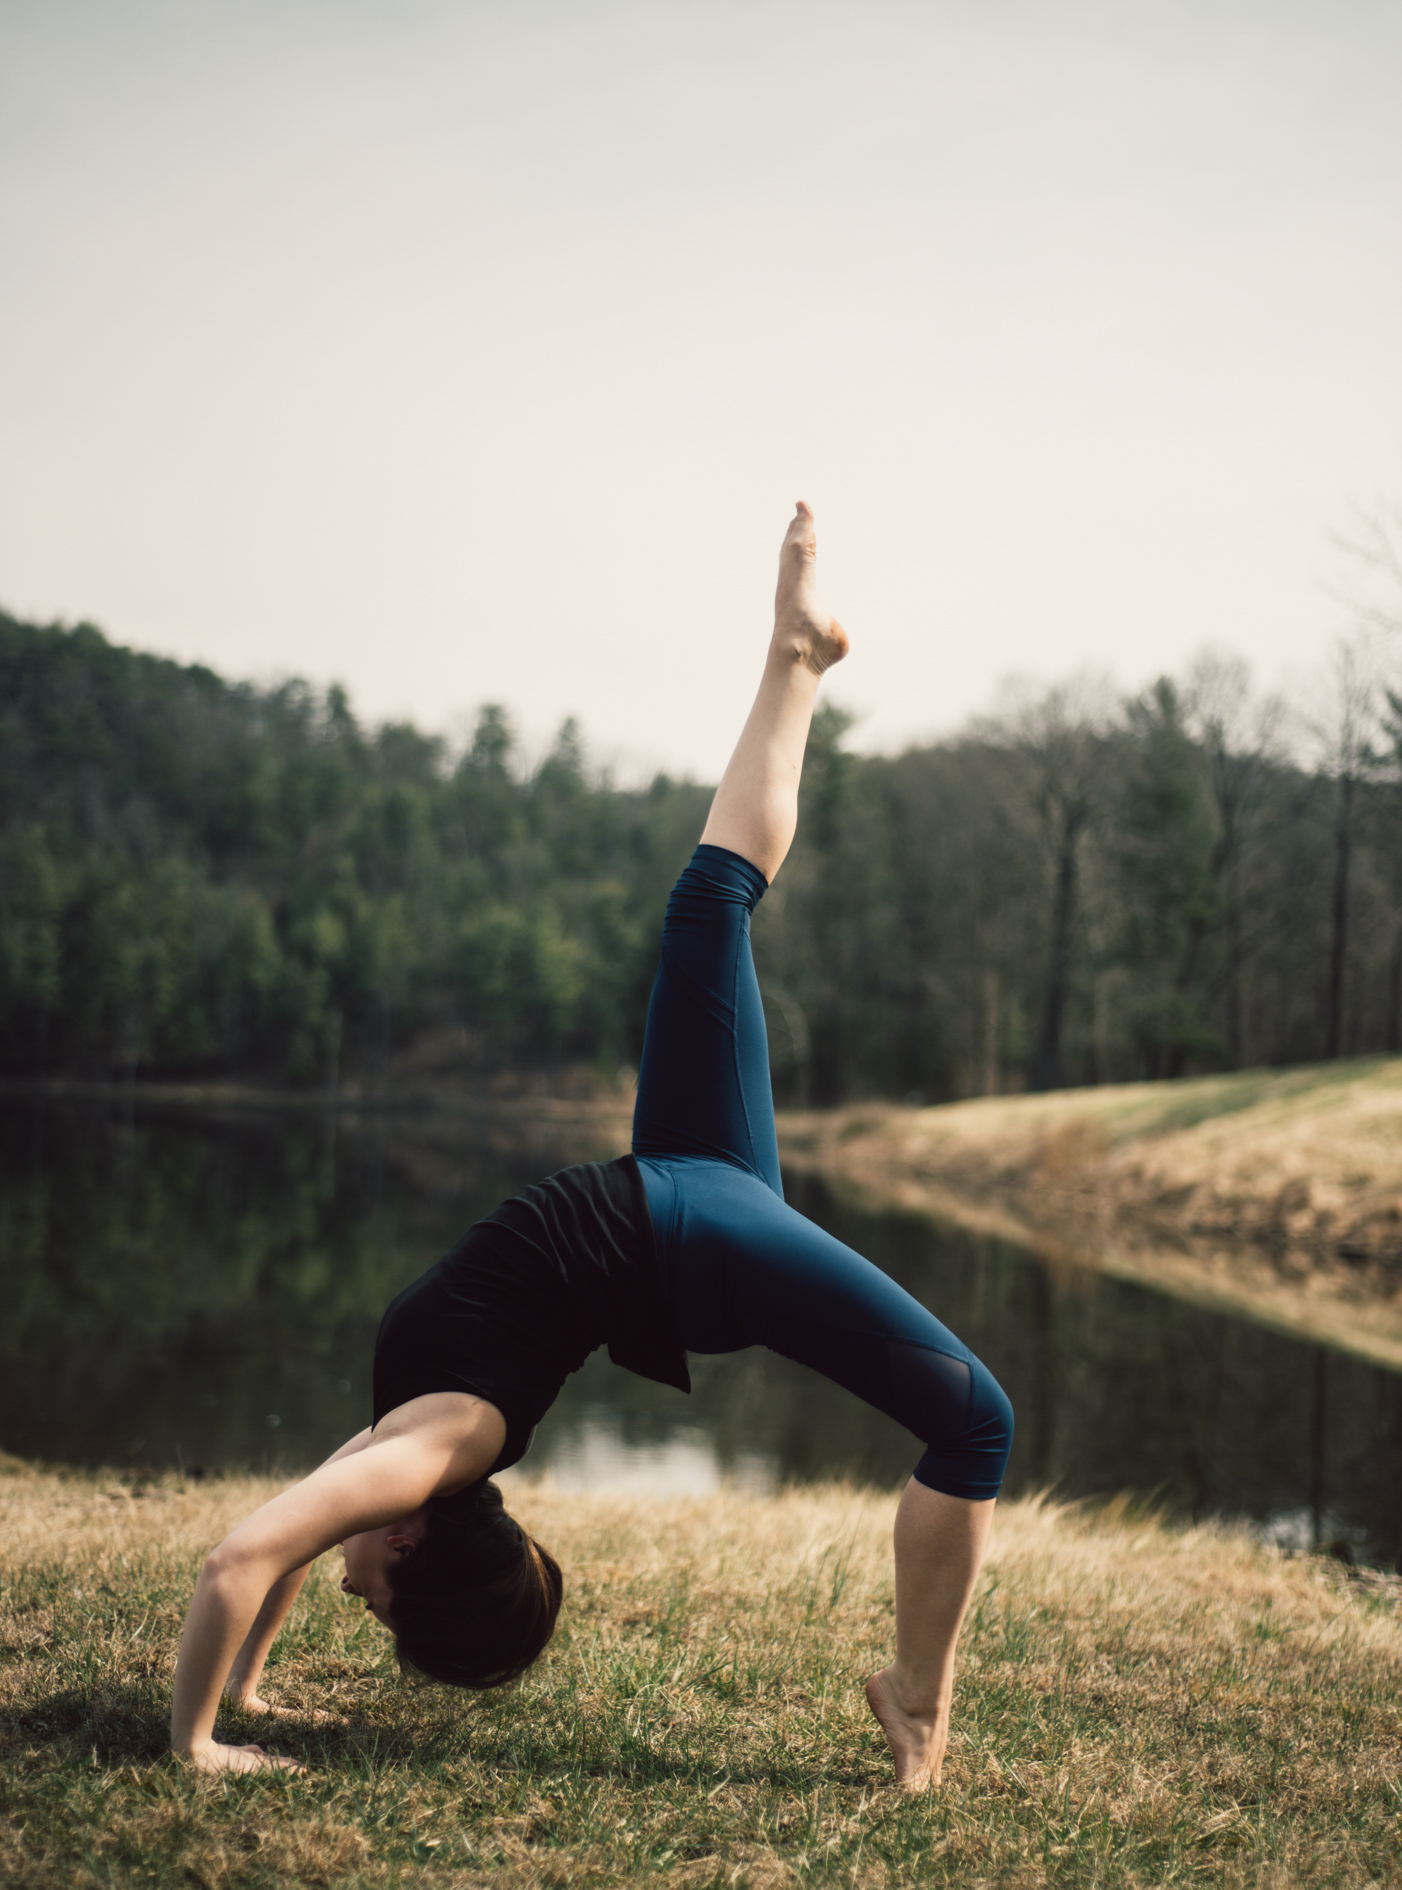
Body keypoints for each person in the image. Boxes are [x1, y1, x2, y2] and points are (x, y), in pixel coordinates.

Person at [171, 504, 1014, 1790]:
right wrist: (199, 1741)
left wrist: (232, 1703)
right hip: (691, 1242)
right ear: (410, 1547)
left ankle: (795, 659)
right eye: (380, 1605)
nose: (356, 1590)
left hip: (676, 1198)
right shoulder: (432, 1450)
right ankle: (917, 1705)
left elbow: (275, 1544)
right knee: (976, 1424)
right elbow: (248, 1555)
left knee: (709, 900)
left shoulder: (412, 1456)